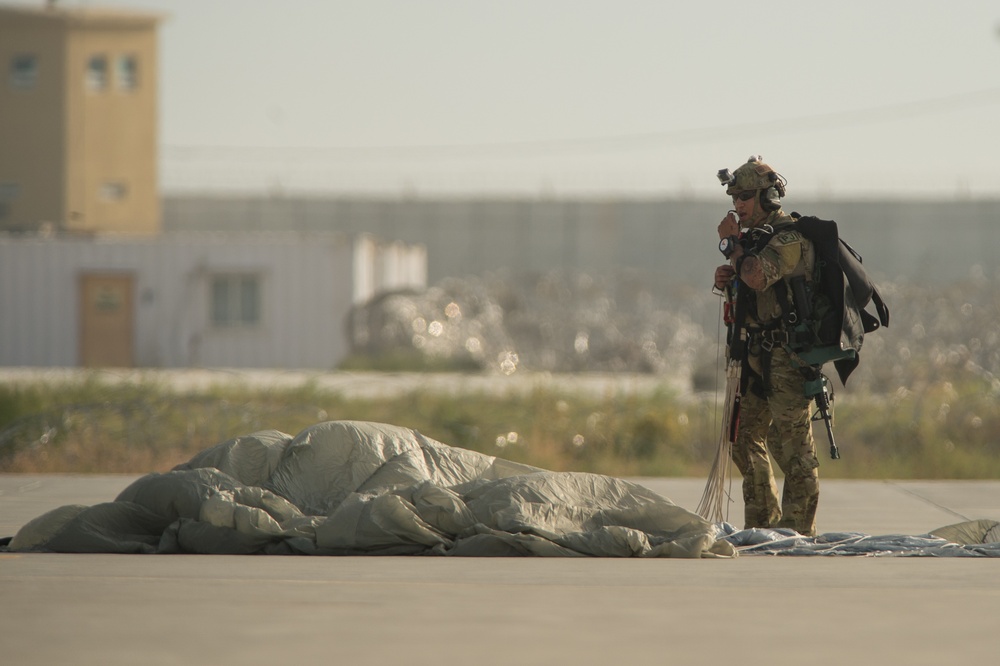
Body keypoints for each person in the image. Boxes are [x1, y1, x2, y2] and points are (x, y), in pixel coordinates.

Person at [713, 155, 820, 536]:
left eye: (745, 196)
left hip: (788, 356)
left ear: (768, 197)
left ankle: (796, 530)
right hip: (755, 354)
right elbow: (747, 283)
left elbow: (759, 275)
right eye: (735, 196)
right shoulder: (752, 241)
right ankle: (761, 525)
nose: (738, 204)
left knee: (794, 447)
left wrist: (732, 248)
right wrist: (728, 277)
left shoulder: (788, 238)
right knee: (743, 438)